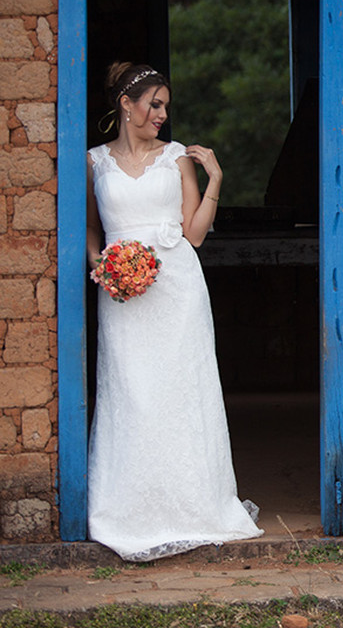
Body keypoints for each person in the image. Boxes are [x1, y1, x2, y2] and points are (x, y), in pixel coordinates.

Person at [86, 61, 263, 561]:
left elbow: (196, 234)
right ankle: (130, 510)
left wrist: (216, 179)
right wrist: (103, 268)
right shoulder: (94, 161)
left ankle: (192, 505)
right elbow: (91, 229)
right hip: (121, 289)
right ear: (127, 104)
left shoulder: (177, 157)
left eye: (165, 105)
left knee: (181, 391)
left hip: (176, 287)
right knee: (131, 392)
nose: (162, 114)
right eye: (154, 104)